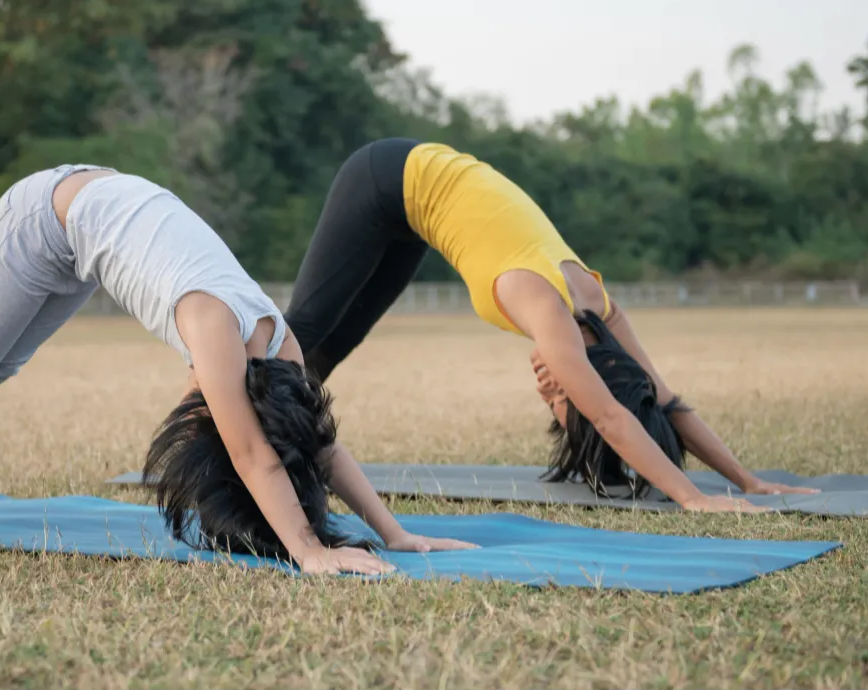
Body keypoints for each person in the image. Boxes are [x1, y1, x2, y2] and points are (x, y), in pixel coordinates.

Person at [0, 163, 474, 575]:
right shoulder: (216, 327)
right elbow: (251, 453)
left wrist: (396, 533)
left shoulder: (282, 350)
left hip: (89, 218)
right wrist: (309, 550)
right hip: (43, 215)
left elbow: (315, 445)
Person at [283, 138, 819, 512]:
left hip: (416, 207)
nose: (551, 402)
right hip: (385, 176)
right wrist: (694, 498)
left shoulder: (600, 308)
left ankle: (276, 454)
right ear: (588, 379)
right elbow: (609, 417)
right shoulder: (548, 309)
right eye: (564, 411)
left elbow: (664, 401)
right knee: (300, 334)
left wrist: (747, 481)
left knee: (326, 354)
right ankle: (219, 431)